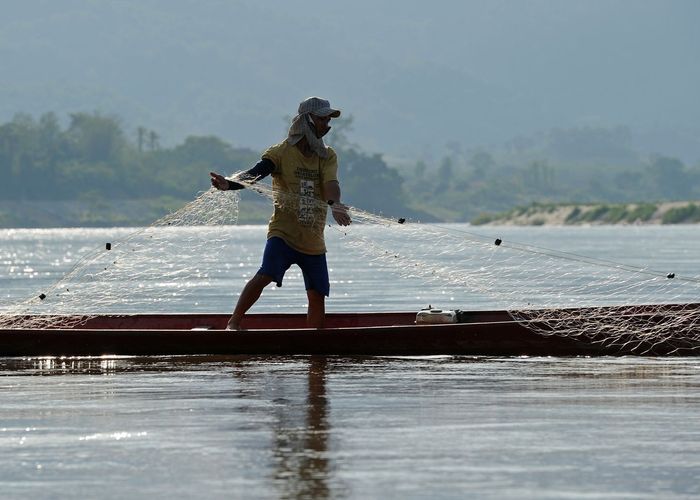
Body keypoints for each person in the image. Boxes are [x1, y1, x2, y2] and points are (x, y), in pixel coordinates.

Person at [210, 97, 351, 330]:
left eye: (328, 120)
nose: (327, 125)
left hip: (313, 238)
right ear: (306, 121)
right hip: (283, 233)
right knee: (265, 275)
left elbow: (331, 184)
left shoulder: (327, 155)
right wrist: (230, 185)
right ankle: (233, 324)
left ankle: (315, 348)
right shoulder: (281, 153)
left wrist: (335, 204)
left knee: (317, 294)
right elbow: (256, 174)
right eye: (322, 119)